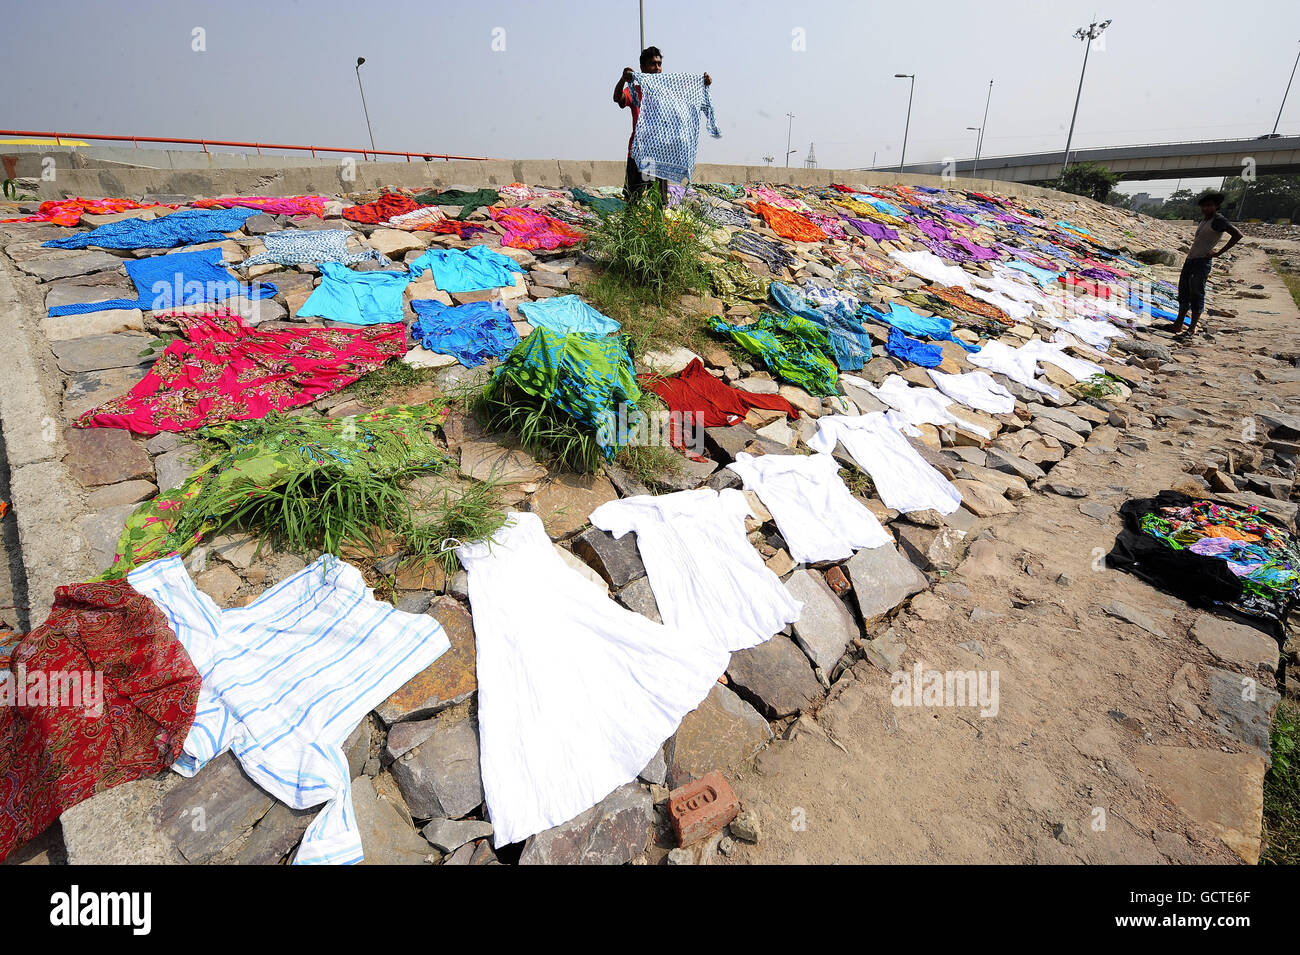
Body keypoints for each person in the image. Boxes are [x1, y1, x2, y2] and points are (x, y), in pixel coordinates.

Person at [613, 47, 711, 202]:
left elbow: (687, 98)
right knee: (634, 198)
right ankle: (633, 225)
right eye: (653, 64)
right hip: (640, 153)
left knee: (658, 200)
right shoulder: (635, 91)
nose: (657, 68)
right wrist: (623, 79)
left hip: (660, 155)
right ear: (643, 67)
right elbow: (617, 98)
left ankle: (657, 225)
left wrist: (702, 83)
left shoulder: (667, 93)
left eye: (659, 64)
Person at [1172, 191, 1242, 341]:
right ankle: (1178, 324)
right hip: (1191, 260)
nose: (1205, 208)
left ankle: (1192, 328)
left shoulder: (1218, 220)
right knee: (1184, 292)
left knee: (1196, 293)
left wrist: (1218, 253)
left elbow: (1237, 235)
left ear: (1216, 206)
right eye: (1203, 206)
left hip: (1201, 262)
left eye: (1209, 206)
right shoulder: (1204, 220)